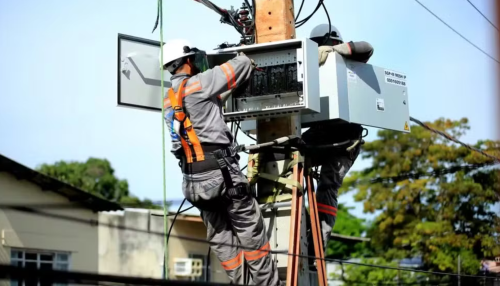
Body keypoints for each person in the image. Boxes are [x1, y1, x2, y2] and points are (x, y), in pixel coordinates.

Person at [160, 39, 281, 286]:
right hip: (222, 175)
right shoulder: (201, 82)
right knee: (252, 236)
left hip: (193, 183)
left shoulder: (168, 99)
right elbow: (243, 63)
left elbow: (198, 115)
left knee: (222, 240)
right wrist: (244, 49)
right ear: (188, 61)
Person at [302, 24, 374, 256]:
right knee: (286, 162)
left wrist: (336, 51)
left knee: (327, 185)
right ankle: (296, 229)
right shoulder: (310, 65)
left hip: (345, 140)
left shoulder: (350, 62)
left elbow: (367, 47)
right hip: (320, 134)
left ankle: (317, 246)